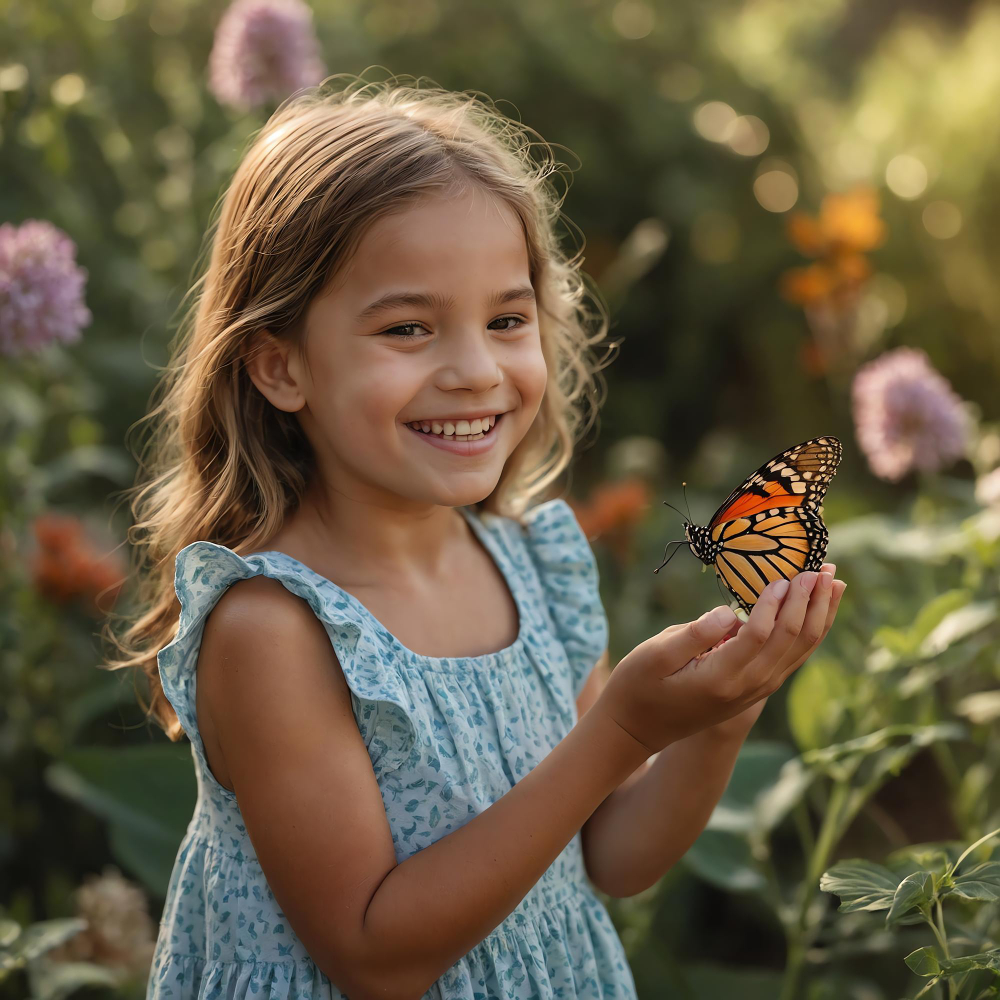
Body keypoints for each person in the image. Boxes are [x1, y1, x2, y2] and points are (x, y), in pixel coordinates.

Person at [109, 73, 845, 1000]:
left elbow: (613, 855)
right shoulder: (275, 631)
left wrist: (718, 719)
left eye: (506, 320)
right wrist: (621, 729)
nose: (475, 370)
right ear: (280, 365)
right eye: (409, 328)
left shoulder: (534, 561)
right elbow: (375, 955)